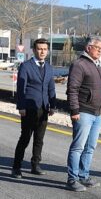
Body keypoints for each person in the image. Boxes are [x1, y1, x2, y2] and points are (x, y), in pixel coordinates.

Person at [66, 36, 101, 192]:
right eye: (98, 48)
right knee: (78, 147)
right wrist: (74, 110)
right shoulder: (79, 65)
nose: (100, 51)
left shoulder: (97, 66)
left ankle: (84, 176)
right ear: (88, 47)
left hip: (97, 114)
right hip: (83, 112)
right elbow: (72, 89)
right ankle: (72, 179)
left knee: (90, 147)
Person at [11, 38, 56, 178]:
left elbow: (51, 88)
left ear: (47, 51)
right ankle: (16, 167)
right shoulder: (26, 66)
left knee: (39, 139)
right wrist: (21, 106)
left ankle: (35, 165)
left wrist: (53, 105)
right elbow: (21, 88)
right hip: (29, 108)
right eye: (39, 49)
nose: (42, 51)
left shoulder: (49, 67)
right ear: (34, 50)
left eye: (45, 49)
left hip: (43, 108)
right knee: (25, 138)